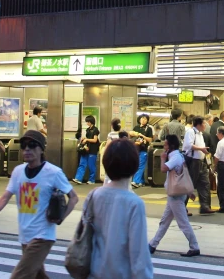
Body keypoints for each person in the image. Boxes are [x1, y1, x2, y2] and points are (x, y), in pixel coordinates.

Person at [0, 130, 78, 278]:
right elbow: (4, 198)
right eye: (24, 146)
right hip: (25, 235)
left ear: (42, 149)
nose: (27, 149)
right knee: (37, 275)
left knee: (19, 276)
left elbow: (73, 197)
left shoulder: (53, 172)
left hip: (42, 236)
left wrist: (61, 218)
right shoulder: (18, 171)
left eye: (32, 145)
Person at [86, 139, 153, 279]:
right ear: (134, 166)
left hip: (94, 272)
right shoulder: (134, 203)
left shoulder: (93, 196)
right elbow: (139, 253)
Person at [149, 134, 201, 257]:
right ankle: (152, 244)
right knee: (164, 221)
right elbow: (183, 176)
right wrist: (189, 191)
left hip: (175, 195)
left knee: (183, 222)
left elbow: (163, 169)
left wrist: (162, 158)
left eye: (165, 144)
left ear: (171, 146)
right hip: (176, 194)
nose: (164, 146)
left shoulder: (175, 157)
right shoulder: (179, 156)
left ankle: (194, 246)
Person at [183, 116, 214, 215]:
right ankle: (181, 207)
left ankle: (205, 206)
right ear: (199, 125)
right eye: (204, 124)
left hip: (201, 161)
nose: (206, 125)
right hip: (193, 161)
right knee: (189, 185)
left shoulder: (200, 134)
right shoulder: (191, 132)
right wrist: (201, 149)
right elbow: (188, 145)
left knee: (205, 183)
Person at [73, 115, 99, 184]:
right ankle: (78, 178)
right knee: (82, 163)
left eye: (87, 122)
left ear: (91, 122)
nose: (87, 123)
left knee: (91, 165)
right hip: (86, 149)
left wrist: (87, 139)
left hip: (93, 150)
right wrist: (84, 138)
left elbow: (95, 140)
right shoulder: (87, 130)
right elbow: (88, 138)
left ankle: (92, 180)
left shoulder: (95, 130)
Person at [131, 114, 153, 188]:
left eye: (145, 119)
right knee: (138, 165)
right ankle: (142, 181)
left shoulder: (149, 129)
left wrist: (143, 136)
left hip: (144, 149)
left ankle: (135, 181)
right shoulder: (136, 127)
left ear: (147, 120)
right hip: (136, 149)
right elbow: (131, 135)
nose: (143, 120)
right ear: (139, 119)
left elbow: (150, 139)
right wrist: (136, 134)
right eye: (142, 118)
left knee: (140, 165)